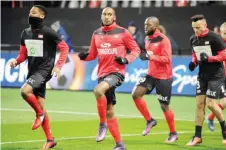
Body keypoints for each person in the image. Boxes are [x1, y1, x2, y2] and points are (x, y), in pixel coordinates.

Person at [78, 7, 140, 150]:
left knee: (98, 91)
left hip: (117, 73)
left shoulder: (123, 32)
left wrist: (125, 59)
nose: (107, 17)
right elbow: (93, 54)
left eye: (109, 14)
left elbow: (136, 50)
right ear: (101, 16)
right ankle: (120, 144)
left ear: (114, 17)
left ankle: (102, 124)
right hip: (102, 74)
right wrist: (84, 57)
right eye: (104, 14)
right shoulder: (96, 33)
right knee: (109, 109)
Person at [9, 5, 69, 149]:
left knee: (24, 91)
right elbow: (23, 54)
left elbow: (64, 48)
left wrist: (58, 66)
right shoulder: (25, 33)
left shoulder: (49, 32)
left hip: (44, 70)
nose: (31, 14)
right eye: (30, 12)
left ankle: (39, 115)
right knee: (40, 105)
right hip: (32, 71)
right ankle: (50, 139)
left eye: (34, 12)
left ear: (42, 16)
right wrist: (15, 61)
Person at [131, 16, 178, 143]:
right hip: (151, 74)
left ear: (156, 27)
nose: (146, 27)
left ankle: (173, 133)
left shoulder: (164, 40)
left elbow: (167, 59)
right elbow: (148, 53)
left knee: (164, 106)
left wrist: (150, 57)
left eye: (149, 25)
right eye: (145, 24)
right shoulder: (147, 38)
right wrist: (143, 55)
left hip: (164, 77)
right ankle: (150, 120)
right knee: (136, 94)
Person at [187, 14, 226, 146]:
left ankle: (224, 127)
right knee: (200, 104)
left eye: (198, 27)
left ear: (205, 25)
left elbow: (225, 55)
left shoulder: (214, 37)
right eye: (194, 28)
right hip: (202, 75)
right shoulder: (193, 39)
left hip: (216, 75)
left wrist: (210, 59)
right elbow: (195, 54)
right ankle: (197, 136)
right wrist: (194, 63)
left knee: (211, 104)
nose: (196, 30)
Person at [207, 22, 226, 131]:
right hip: (221, 76)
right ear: (222, 31)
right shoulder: (218, 43)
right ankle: (211, 118)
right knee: (225, 102)